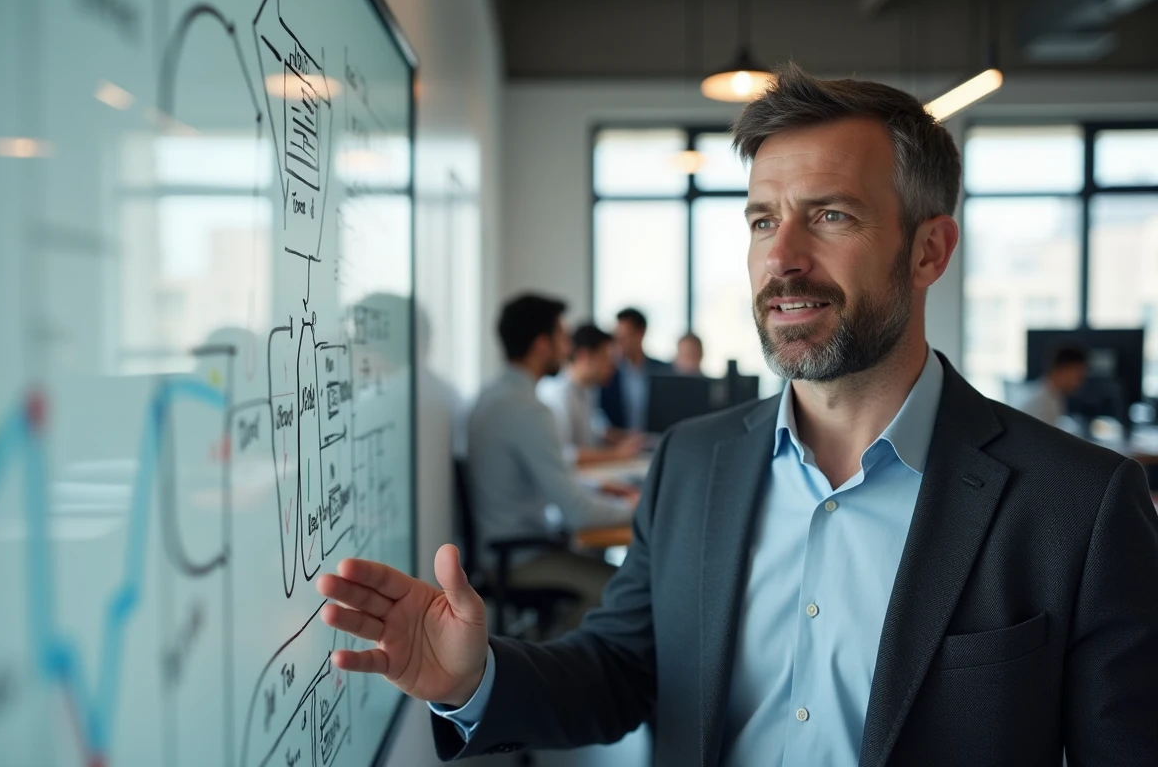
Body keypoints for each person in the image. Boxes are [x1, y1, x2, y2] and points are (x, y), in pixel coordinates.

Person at [316, 64, 1158, 766]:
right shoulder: (694, 461)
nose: (782, 258)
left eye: (830, 215)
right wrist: (474, 679)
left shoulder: (1078, 505)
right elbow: (620, 670)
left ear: (929, 250)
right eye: (763, 219)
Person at [454, 294, 635, 627]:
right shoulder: (527, 410)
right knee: (626, 589)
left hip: (503, 549)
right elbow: (579, 514)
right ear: (541, 344)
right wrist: (641, 508)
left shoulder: (495, 395)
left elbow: (547, 477)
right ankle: (551, 652)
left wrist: (596, 488)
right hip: (521, 558)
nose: (568, 348)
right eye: (562, 338)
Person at [536, 323, 645, 467]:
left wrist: (616, 438)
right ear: (585, 356)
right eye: (606, 359)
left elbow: (589, 433)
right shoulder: (557, 394)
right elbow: (563, 453)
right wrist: (616, 454)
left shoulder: (588, 390)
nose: (612, 367)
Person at [599, 308, 670, 431]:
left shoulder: (664, 371)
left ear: (641, 333)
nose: (619, 343)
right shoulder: (608, 373)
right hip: (619, 440)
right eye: (617, 337)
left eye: (624, 337)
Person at [1014, 344, 1089, 427]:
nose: (1080, 384)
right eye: (1078, 377)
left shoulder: (1051, 396)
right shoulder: (1044, 402)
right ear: (1065, 369)